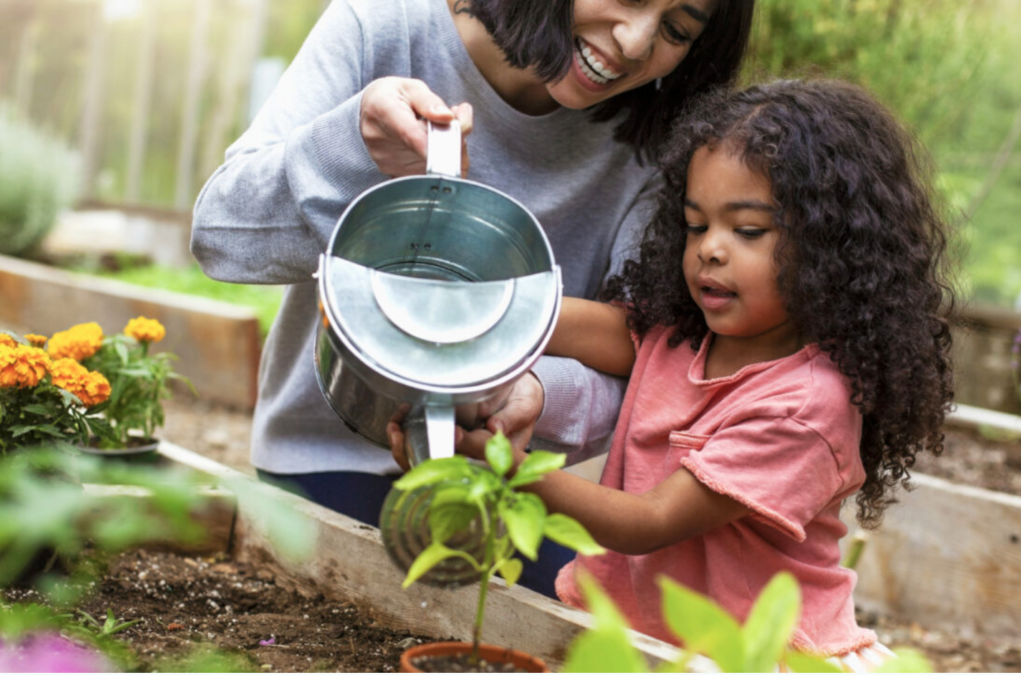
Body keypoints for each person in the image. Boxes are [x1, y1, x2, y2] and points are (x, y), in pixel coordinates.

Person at [190, 0, 755, 598]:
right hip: (326, 459)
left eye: (676, 30)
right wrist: (355, 145)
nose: (636, 43)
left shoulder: (654, 143)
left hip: (502, 486)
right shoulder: (385, 27)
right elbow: (221, 236)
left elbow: (650, 361)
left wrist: (539, 391)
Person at [429, 78, 956, 666]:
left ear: (831, 247)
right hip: (641, 637)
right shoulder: (689, 336)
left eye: (748, 230)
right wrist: (491, 314)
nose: (710, 248)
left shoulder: (807, 404)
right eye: (697, 225)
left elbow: (649, 522)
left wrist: (497, 465)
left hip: (753, 655)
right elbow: (601, 328)